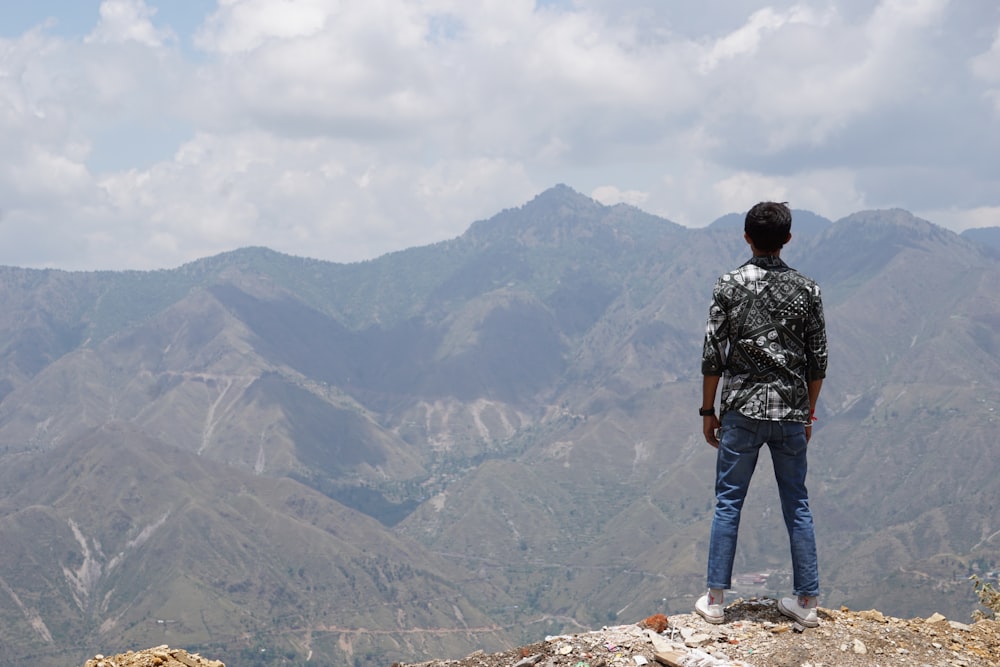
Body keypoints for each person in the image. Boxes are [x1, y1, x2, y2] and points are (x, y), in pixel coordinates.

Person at [695, 201, 828, 627]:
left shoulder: (728, 285)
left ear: (747, 237)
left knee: (729, 502)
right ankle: (805, 602)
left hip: (741, 410)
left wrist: (707, 410)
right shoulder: (808, 290)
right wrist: (808, 413)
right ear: (787, 239)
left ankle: (715, 600)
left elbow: (713, 354)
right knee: (798, 503)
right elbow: (818, 361)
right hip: (790, 411)